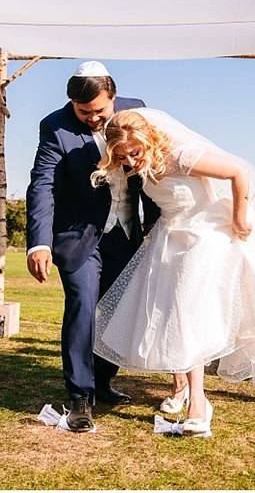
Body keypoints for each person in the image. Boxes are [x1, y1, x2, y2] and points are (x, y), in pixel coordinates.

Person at [93, 109, 255, 438]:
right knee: (170, 316)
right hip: (169, 240)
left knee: (187, 317)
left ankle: (199, 405)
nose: (131, 160)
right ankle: (184, 391)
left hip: (205, 237)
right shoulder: (134, 167)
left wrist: (240, 214)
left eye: (135, 152)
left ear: (149, 140)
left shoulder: (182, 156)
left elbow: (238, 171)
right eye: (123, 156)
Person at [25, 61, 160, 432]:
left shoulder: (139, 109)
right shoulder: (55, 126)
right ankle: (80, 397)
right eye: (82, 111)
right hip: (79, 236)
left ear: (113, 99)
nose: (90, 118)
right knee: (83, 305)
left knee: (117, 308)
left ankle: (102, 380)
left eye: (98, 111)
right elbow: (42, 187)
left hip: (127, 231)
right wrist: (39, 244)